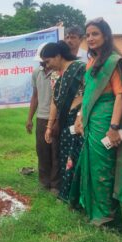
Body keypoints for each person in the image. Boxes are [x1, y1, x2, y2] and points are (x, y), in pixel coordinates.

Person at [69, 18, 122, 232]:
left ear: (105, 36)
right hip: (91, 119)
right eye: (88, 35)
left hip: (106, 120)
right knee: (90, 163)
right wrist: (79, 117)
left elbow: (121, 96)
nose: (90, 38)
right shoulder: (91, 62)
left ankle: (107, 216)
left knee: (103, 167)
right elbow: (87, 94)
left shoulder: (112, 61)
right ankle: (91, 207)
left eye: (95, 34)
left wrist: (114, 127)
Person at [43, 41, 86, 201]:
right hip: (64, 120)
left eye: (48, 61)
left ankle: (78, 195)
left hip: (79, 119)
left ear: (58, 56)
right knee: (65, 155)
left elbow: (89, 93)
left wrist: (81, 115)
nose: (47, 65)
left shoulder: (80, 68)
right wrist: (49, 126)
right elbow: (55, 101)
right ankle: (66, 192)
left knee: (77, 155)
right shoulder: (55, 74)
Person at [26, 43, 60, 194]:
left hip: (57, 119)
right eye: (41, 60)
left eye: (46, 60)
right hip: (41, 118)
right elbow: (35, 97)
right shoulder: (36, 73)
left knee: (56, 151)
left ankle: (55, 185)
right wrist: (29, 119)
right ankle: (44, 181)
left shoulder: (59, 72)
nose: (44, 63)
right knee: (42, 151)